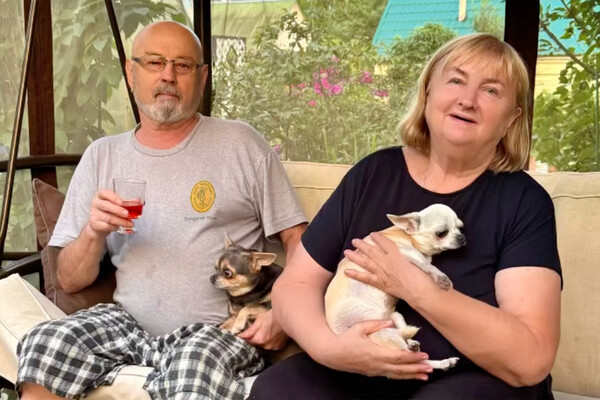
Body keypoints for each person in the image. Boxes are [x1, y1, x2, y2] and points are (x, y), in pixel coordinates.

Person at [249, 33, 562, 399]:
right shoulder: (374, 174)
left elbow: (530, 358)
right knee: (276, 388)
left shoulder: (524, 202)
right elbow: (295, 286)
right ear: (428, 91)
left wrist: (414, 285)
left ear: (512, 117)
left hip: (473, 378)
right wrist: (330, 349)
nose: (467, 99)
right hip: (359, 370)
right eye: (456, 80)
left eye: (491, 90)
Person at [16, 21, 307, 400]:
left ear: (202, 78)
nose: (168, 75)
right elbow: (68, 281)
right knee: (45, 344)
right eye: (154, 62)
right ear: (130, 72)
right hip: (127, 324)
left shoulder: (241, 143)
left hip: (217, 330)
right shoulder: (102, 155)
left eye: (182, 65)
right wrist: (93, 232)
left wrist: (282, 315)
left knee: (192, 368)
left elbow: (299, 241)